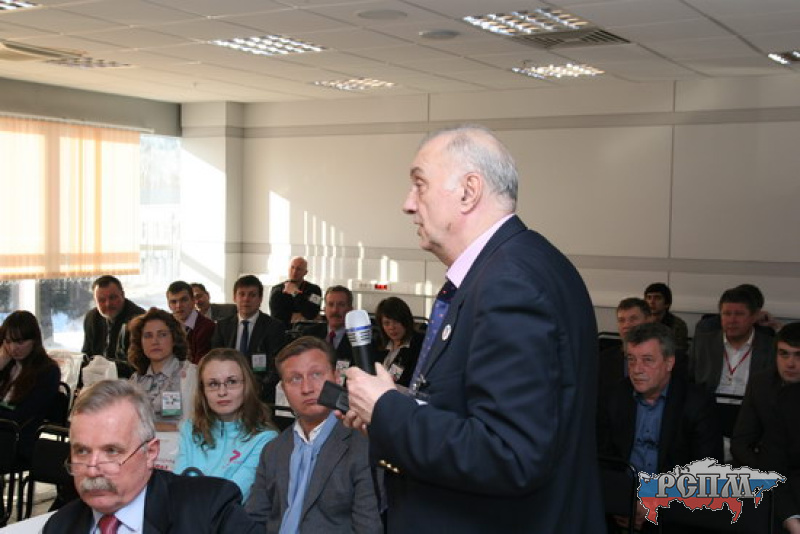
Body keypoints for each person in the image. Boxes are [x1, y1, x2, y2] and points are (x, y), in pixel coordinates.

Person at [341, 125, 603, 532]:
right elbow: (482, 407)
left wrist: (388, 411)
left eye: (419, 185)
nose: (407, 204)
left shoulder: (508, 283)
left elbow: (509, 454)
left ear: (468, 191)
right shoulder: (524, 262)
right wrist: (395, 407)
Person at [43, 379, 258, 533]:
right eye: (82, 451)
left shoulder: (210, 510)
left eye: (112, 451)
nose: (92, 470)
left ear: (151, 453)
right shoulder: (60, 526)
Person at [245, 337, 382, 533]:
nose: (307, 388)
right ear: (283, 389)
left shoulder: (362, 445)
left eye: (316, 374)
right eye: (295, 379)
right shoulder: (273, 450)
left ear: (337, 377)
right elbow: (254, 520)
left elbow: (369, 528)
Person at [597, 323, 722, 531]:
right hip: (620, 503)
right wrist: (622, 502)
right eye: (631, 359)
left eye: (647, 360)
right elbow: (603, 459)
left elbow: (705, 471)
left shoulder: (697, 403)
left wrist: (654, 504)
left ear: (669, 362)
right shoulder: (613, 396)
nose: (636, 369)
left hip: (674, 509)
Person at [174, 348, 278, 500]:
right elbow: (177, 488)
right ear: (203, 391)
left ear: (247, 385)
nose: (222, 392)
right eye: (213, 384)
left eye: (231, 382)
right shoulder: (190, 428)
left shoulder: (265, 439)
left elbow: (231, 495)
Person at [731, 322, 800, 532]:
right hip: (769, 475)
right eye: (783, 354)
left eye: (798, 355)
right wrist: (765, 474)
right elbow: (740, 444)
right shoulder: (761, 383)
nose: (790, 363)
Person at [211, 274, 287, 404]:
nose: (246, 299)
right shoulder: (222, 326)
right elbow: (216, 359)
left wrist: (259, 388)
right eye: (242, 294)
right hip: (227, 388)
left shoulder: (274, 327)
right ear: (234, 297)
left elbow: (277, 364)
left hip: (260, 392)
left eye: (252, 295)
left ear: (260, 299)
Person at [0, 310, 60, 465]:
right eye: (8, 342)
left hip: (18, 439)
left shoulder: (48, 371)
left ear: (34, 340)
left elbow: (21, 415)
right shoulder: (7, 365)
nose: (13, 348)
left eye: (20, 342)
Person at [128, 308, 198, 432]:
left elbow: (194, 425)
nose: (154, 341)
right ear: (140, 342)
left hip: (179, 442)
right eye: (148, 336)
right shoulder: (135, 380)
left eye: (162, 334)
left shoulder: (190, 374)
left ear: (174, 339)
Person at [82, 275, 145, 375]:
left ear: (122, 295)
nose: (108, 304)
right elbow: (86, 355)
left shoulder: (139, 320)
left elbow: (139, 365)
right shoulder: (91, 318)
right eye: (101, 300)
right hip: (97, 377)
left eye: (112, 298)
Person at [598, 297, 652, 396]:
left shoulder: (667, 358)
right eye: (621, 320)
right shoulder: (604, 360)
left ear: (648, 321)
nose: (626, 325)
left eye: (633, 319)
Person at [374, 296, 422, 388]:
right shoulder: (378, 344)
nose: (391, 327)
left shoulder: (418, 345)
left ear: (405, 320)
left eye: (396, 322)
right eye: (386, 323)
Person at [302, 285, 354, 366]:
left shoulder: (357, 341)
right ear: (325, 309)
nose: (335, 310)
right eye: (330, 304)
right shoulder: (309, 335)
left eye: (341, 305)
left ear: (350, 310)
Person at [167, 280, 215, 363]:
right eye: (173, 302)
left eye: (183, 300)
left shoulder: (208, 327)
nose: (178, 306)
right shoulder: (166, 325)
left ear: (193, 301)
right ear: (169, 305)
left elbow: (200, 365)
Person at [269, 257, 322, 326]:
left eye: (299, 269)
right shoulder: (277, 290)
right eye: (292, 267)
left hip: (307, 331)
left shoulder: (315, 290)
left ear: (305, 272)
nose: (294, 272)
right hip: (283, 330)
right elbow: (276, 317)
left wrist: (295, 293)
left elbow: (312, 314)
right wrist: (303, 316)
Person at [644, 282, 689, 352]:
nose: (651, 302)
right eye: (649, 298)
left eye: (657, 298)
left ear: (667, 303)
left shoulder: (677, 325)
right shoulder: (641, 321)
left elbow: (678, 352)